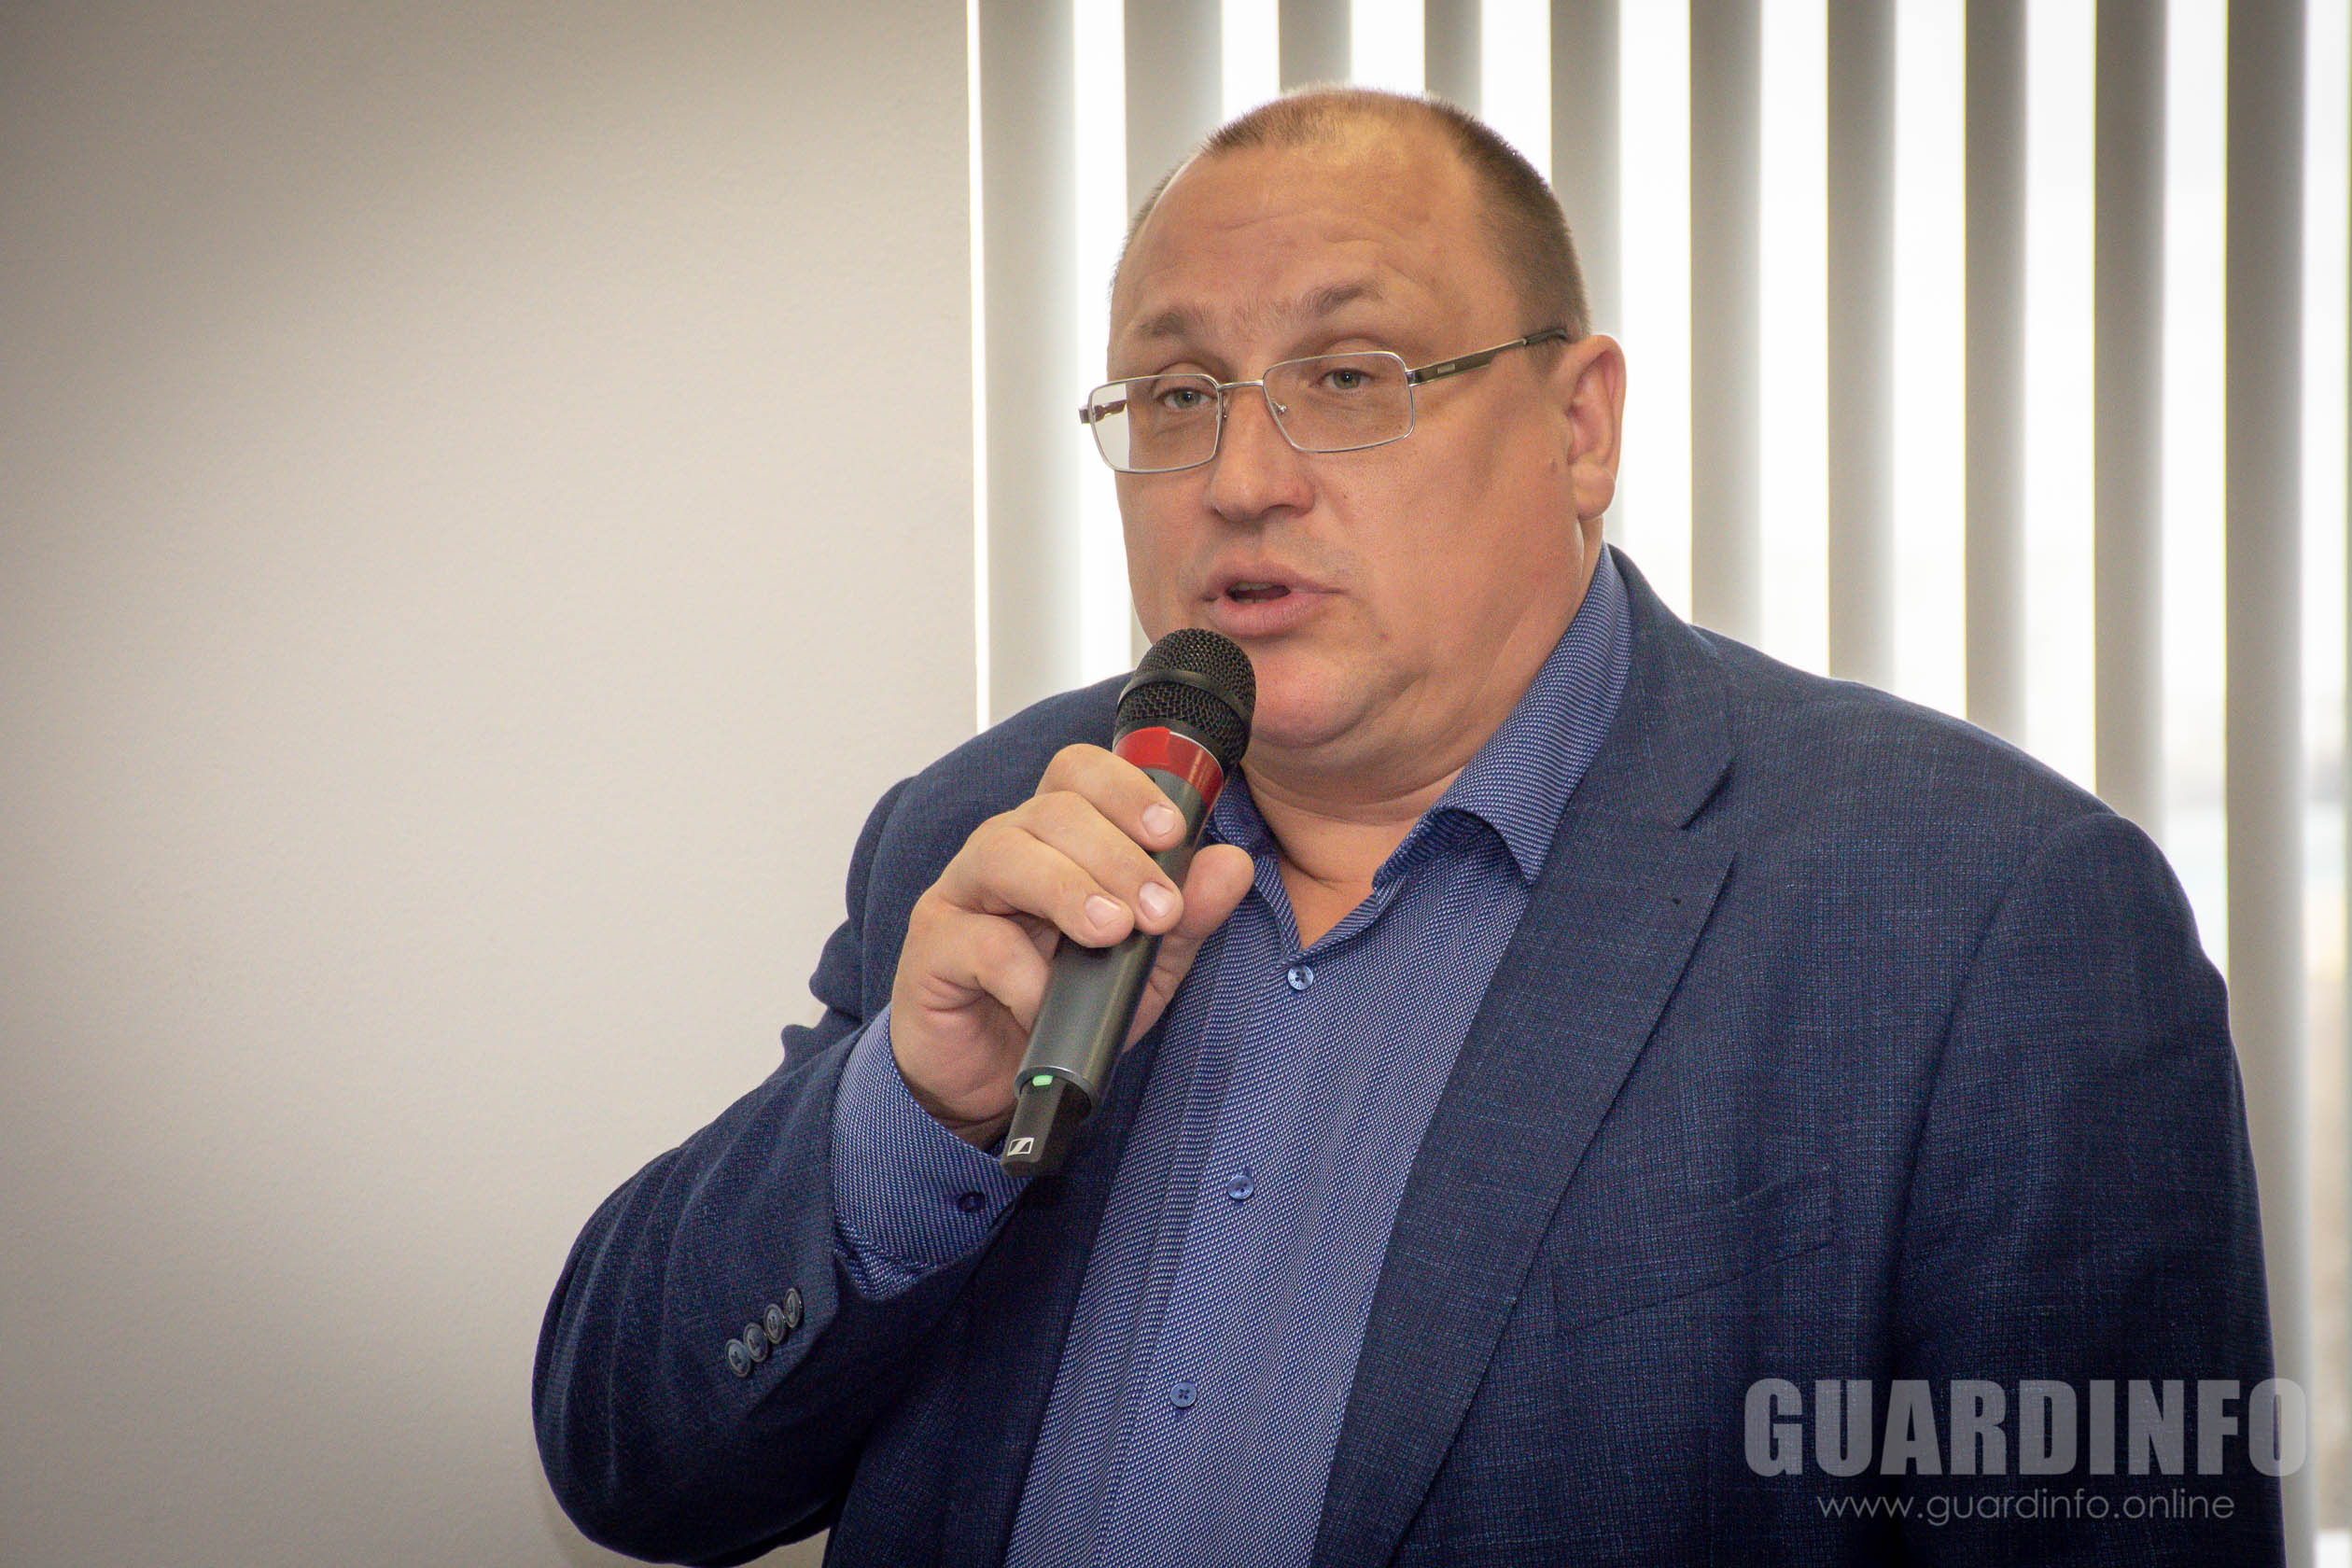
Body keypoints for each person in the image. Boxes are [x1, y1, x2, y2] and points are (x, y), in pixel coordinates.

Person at [533, 89, 2282, 1565]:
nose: (1242, 480)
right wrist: (911, 1119)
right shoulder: (989, 830)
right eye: (1176, 397)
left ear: (1580, 428)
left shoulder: (1987, 919)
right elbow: (632, 1466)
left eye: (1352, 376)